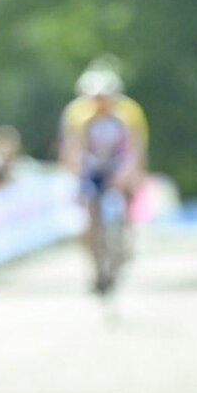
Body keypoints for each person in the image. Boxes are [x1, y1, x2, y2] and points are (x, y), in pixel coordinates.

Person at [58, 60, 148, 293]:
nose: (100, 103)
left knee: (124, 195)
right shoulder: (79, 117)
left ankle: (125, 238)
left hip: (119, 163)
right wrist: (76, 178)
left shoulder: (126, 116)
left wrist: (130, 175)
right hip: (92, 167)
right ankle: (96, 266)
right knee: (89, 213)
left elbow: (135, 149)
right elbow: (72, 150)